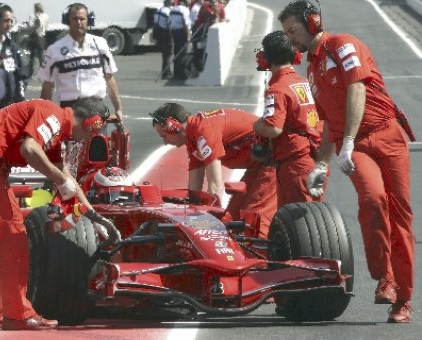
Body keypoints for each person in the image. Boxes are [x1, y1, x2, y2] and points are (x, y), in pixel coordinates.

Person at [279, 0, 414, 323]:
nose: (290, 39)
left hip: (385, 135)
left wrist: (349, 139)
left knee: (401, 215)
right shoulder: (311, 71)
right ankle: (386, 279)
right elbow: (326, 123)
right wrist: (321, 164)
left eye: (292, 30)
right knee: (371, 199)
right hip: (352, 144)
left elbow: (357, 89)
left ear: (311, 22)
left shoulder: (343, 45)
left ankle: (403, 300)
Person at [0, 97, 110, 330]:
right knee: (14, 237)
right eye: (94, 132)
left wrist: (92, 216)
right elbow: (30, 149)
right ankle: (19, 314)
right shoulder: (53, 115)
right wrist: (59, 180)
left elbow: (64, 175)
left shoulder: (55, 125)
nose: (90, 139)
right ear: (92, 123)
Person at [149, 103, 277, 238]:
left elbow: (215, 186)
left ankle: (259, 255)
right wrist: (190, 222)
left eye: (164, 136)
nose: (165, 142)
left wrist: (210, 228)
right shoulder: (194, 138)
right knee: (233, 217)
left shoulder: (204, 130)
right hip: (259, 165)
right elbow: (194, 192)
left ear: (173, 127)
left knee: (254, 219)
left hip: (273, 161)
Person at [252, 31, 323, 207]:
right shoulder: (306, 82)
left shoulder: (277, 89)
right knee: (314, 219)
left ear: (265, 58)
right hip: (315, 158)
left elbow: (273, 128)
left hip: (295, 164)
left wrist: (256, 125)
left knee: (298, 223)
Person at [37, 2, 123, 123]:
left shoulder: (101, 44)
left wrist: (118, 108)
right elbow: (47, 85)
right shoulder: (54, 50)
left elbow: (109, 78)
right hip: (70, 109)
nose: (78, 22)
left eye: (82, 19)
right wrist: (44, 114)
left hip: (96, 108)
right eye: (74, 18)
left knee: (99, 142)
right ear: (67, 20)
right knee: (70, 142)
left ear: (89, 20)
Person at [0, 3, 27, 111]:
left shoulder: (13, 48)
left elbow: (22, 77)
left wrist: (18, 101)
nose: (9, 24)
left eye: (11, 21)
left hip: (6, 106)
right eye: (6, 20)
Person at [25, 3, 48, 77]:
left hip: (34, 37)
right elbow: (46, 27)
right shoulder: (46, 16)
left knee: (32, 56)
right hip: (42, 37)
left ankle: (30, 72)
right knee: (41, 56)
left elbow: (30, 27)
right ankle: (43, 72)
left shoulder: (32, 16)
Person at [169, 0, 190, 80]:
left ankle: (176, 73)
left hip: (174, 32)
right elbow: (186, 24)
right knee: (183, 53)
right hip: (182, 32)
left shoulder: (173, 9)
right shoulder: (185, 10)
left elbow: (169, 22)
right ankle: (182, 74)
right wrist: (188, 36)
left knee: (176, 52)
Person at [153, 0, 173, 79]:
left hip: (159, 33)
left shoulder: (158, 10)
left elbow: (155, 22)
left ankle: (166, 70)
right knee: (168, 53)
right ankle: (166, 72)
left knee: (164, 54)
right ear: (169, 3)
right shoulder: (168, 11)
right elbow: (169, 24)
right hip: (166, 33)